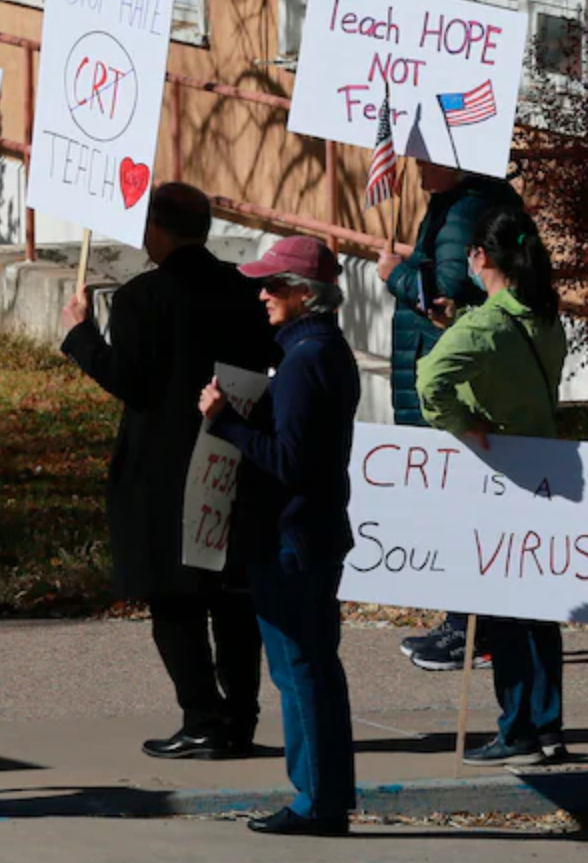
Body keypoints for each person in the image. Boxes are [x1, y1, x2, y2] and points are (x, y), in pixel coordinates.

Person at [61, 183, 275, 760]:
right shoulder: (244, 290)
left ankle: (202, 715)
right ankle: (240, 718)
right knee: (231, 597)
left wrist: (80, 334)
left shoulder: (142, 298)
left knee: (175, 599)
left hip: (163, 466)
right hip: (232, 456)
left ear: (158, 229)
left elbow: (130, 379)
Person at [199, 236, 361, 837]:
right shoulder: (323, 350)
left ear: (305, 294)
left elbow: (290, 461)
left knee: (301, 670)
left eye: (274, 285)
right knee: (313, 667)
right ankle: (325, 796)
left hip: (292, 537)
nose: (262, 294)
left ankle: (317, 802)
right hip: (310, 534)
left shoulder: (305, 360)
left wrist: (226, 423)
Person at [416, 205, 570, 767]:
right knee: (541, 613)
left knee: (503, 615)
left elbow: (431, 380)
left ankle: (518, 731)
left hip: (500, 472)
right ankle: (547, 727)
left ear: (480, 258)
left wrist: (462, 422)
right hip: (548, 469)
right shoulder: (546, 317)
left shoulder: (483, 326)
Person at [380, 162, 522, 671]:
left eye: (423, 157)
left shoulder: (464, 208)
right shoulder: (461, 202)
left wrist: (393, 273)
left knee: (458, 509)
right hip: (447, 366)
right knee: (459, 508)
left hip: (444, 371)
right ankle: (469, 625)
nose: (414, 167)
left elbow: (444, 291)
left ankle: (468, 629)